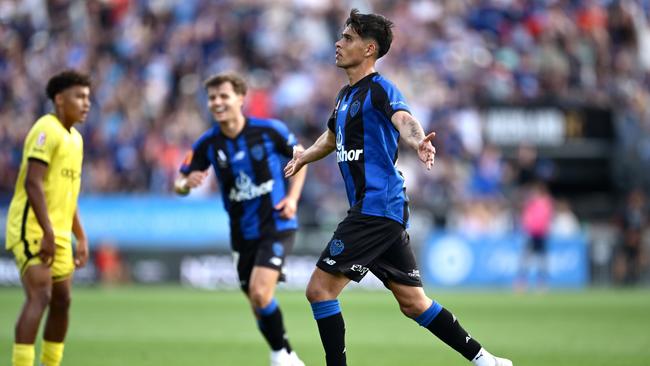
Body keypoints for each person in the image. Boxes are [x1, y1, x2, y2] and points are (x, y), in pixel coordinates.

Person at [284, 10, 513, 366]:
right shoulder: (345, 96)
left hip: (375, 207)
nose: (338, 43)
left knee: (319, 289)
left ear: (369, 48)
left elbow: (404, 120)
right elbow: (331, 138)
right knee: (414, 303)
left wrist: (419, 141)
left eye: (347, 38)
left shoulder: (379, 89)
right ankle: (487, 361)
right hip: (382, 211)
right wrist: (303, 158)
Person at [174, 73, 307, 366]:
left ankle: (281, 356)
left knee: (260, 293)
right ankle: (285, 351)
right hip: (241, 233)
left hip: (276, 223)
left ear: (240, 99)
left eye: (223, 96)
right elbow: (178, 183)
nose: (217, 102)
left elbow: (302, 158)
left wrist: (293, 199)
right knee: (257, 304)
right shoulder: (208, 143)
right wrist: (187, 184)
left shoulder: (270, 131)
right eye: (212, 98)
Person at [5, 70, 91, 366]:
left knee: (62, 301)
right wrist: (48, 233)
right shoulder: (46, 128)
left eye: (88, 97)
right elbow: (33, 182)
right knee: (40, 296)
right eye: (79, 96)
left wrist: (80, 235)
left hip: (58, 231)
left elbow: (69, 194)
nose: (86, 103)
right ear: (59, 99)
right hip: (33, 228)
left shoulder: (76, 140)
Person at [516, 181, 554, 291]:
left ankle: (541, 283)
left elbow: (545, 219)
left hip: (541, 235)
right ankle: (522, 282)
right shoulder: (530, 203)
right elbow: (526, 218)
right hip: (531, 234)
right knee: (526, 259)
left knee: (541, 260)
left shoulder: (546, 202)